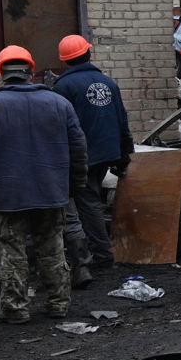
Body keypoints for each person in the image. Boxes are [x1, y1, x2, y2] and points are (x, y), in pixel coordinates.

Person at [0, 46, 86, 325]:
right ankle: (58, 303)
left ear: (1, 73)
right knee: (53, 248)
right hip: (51, 192)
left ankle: (15, 308)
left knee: (11, 251)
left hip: (7, 196)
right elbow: (78, 150)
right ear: (31, 71)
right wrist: (73, 188)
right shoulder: (59, 103)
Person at [54, 35, 132, 277]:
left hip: (83, 156)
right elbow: (122, 119)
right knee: (90, 200)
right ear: (88, 54)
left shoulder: (63, 87)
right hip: (106, 153)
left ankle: (102, 255)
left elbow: (59, 127)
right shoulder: (108, 82)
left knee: (87, 204)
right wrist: (124, 154)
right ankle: (97, 250)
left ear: (65, 60)